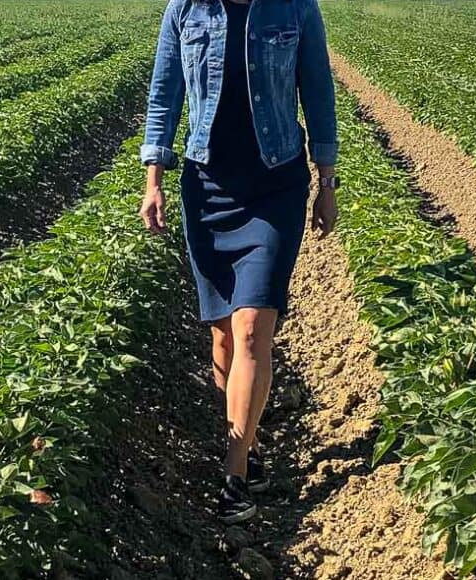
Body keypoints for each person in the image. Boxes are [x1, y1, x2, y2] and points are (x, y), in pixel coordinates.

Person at [138, 0, 339, 523]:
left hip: (277, 183)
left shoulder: (294, 8)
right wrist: (153, 180)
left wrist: (326, 181)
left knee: (253, 326)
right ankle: (246, 444)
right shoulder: (185, 10)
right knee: (223, 334)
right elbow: (165, 94)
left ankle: (234, 473)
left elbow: (317, 90)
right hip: (207, 188)